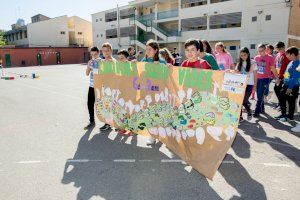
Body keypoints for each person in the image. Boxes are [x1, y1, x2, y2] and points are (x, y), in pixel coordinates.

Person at [141, 39, 166, 145]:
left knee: (159, 114)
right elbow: (138, 72)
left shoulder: (161, 61)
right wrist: (132, 64)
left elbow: (166, 77)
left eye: (150, 49)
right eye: (146, 49)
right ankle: (152, 135)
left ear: (156, 50)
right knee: (149, 113)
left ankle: (160, 135)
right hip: (147, 92)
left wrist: (162, 67)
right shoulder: (143, 61)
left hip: (158, 92)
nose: (148, 51)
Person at [254, 44, 279, 118]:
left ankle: (257, 110)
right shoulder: (256, 58)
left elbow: (273, 69)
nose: (260, 52)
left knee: (260, 95)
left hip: (265, 79)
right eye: (258, 51)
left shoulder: (270, 58)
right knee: (259, 94)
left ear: (265, 50)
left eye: (261, 51)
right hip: (257, 78)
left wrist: (277, 78)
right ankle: (262, 109)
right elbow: (254, 69)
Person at [275, 46, 300, 122]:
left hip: (292, 86)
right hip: (286, 84)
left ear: (292, 54)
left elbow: (295, 77)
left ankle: (290, 117)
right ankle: (284, 114)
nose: (286, 56)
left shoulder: (297, 64)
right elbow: (287, 73)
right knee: (283, 98)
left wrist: (290, 87)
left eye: (287, 54)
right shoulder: (291, 62)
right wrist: (283, 81)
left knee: (291, 101)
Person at [235, 47, 257, 121]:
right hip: (240, 85)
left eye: (244, 55)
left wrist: (255, 86)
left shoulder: (253, 62)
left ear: (248, 54)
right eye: (241, 55)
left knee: (243, 101)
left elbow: (256, 75)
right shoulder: (239, 63)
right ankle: (240, 117)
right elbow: (236, 73)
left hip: (249, 85)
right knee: (239, 101)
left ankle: (248, 110)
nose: (243, 57)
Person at [99, 42, 116, 131]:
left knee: (113, 105)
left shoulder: (114, 62)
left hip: (113, 88)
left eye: (107, 51)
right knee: (106, 105)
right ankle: (107, 123)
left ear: (111, 51)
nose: (106, 52)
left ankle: (115, 123)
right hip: (104, 88)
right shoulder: (101, 62)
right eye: (104, 51)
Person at [84, 47, 102, 130]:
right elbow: (87, 74)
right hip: (92, 86)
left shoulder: (102, 62)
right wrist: (88, 65)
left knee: (103, 105)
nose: (94, 56)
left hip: (101, 87)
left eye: (95, 54)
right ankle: (92, 121)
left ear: (99, 53)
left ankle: (107, 123)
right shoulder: (90, 62)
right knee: (89, 104)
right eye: (92, 55)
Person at [273, 42, 289, 109]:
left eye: (280, 48)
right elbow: (275, 65)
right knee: (276, 89)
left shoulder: (286, 55)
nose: (279, 50)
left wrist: (285, 78)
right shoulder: (278, 55)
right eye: (277, 49)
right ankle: (280, 103)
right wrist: (275, 75)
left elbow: (288, 68)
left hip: (284, 77)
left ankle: (282, 105)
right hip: (278, 76)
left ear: (283, 47)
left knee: (281, 92)